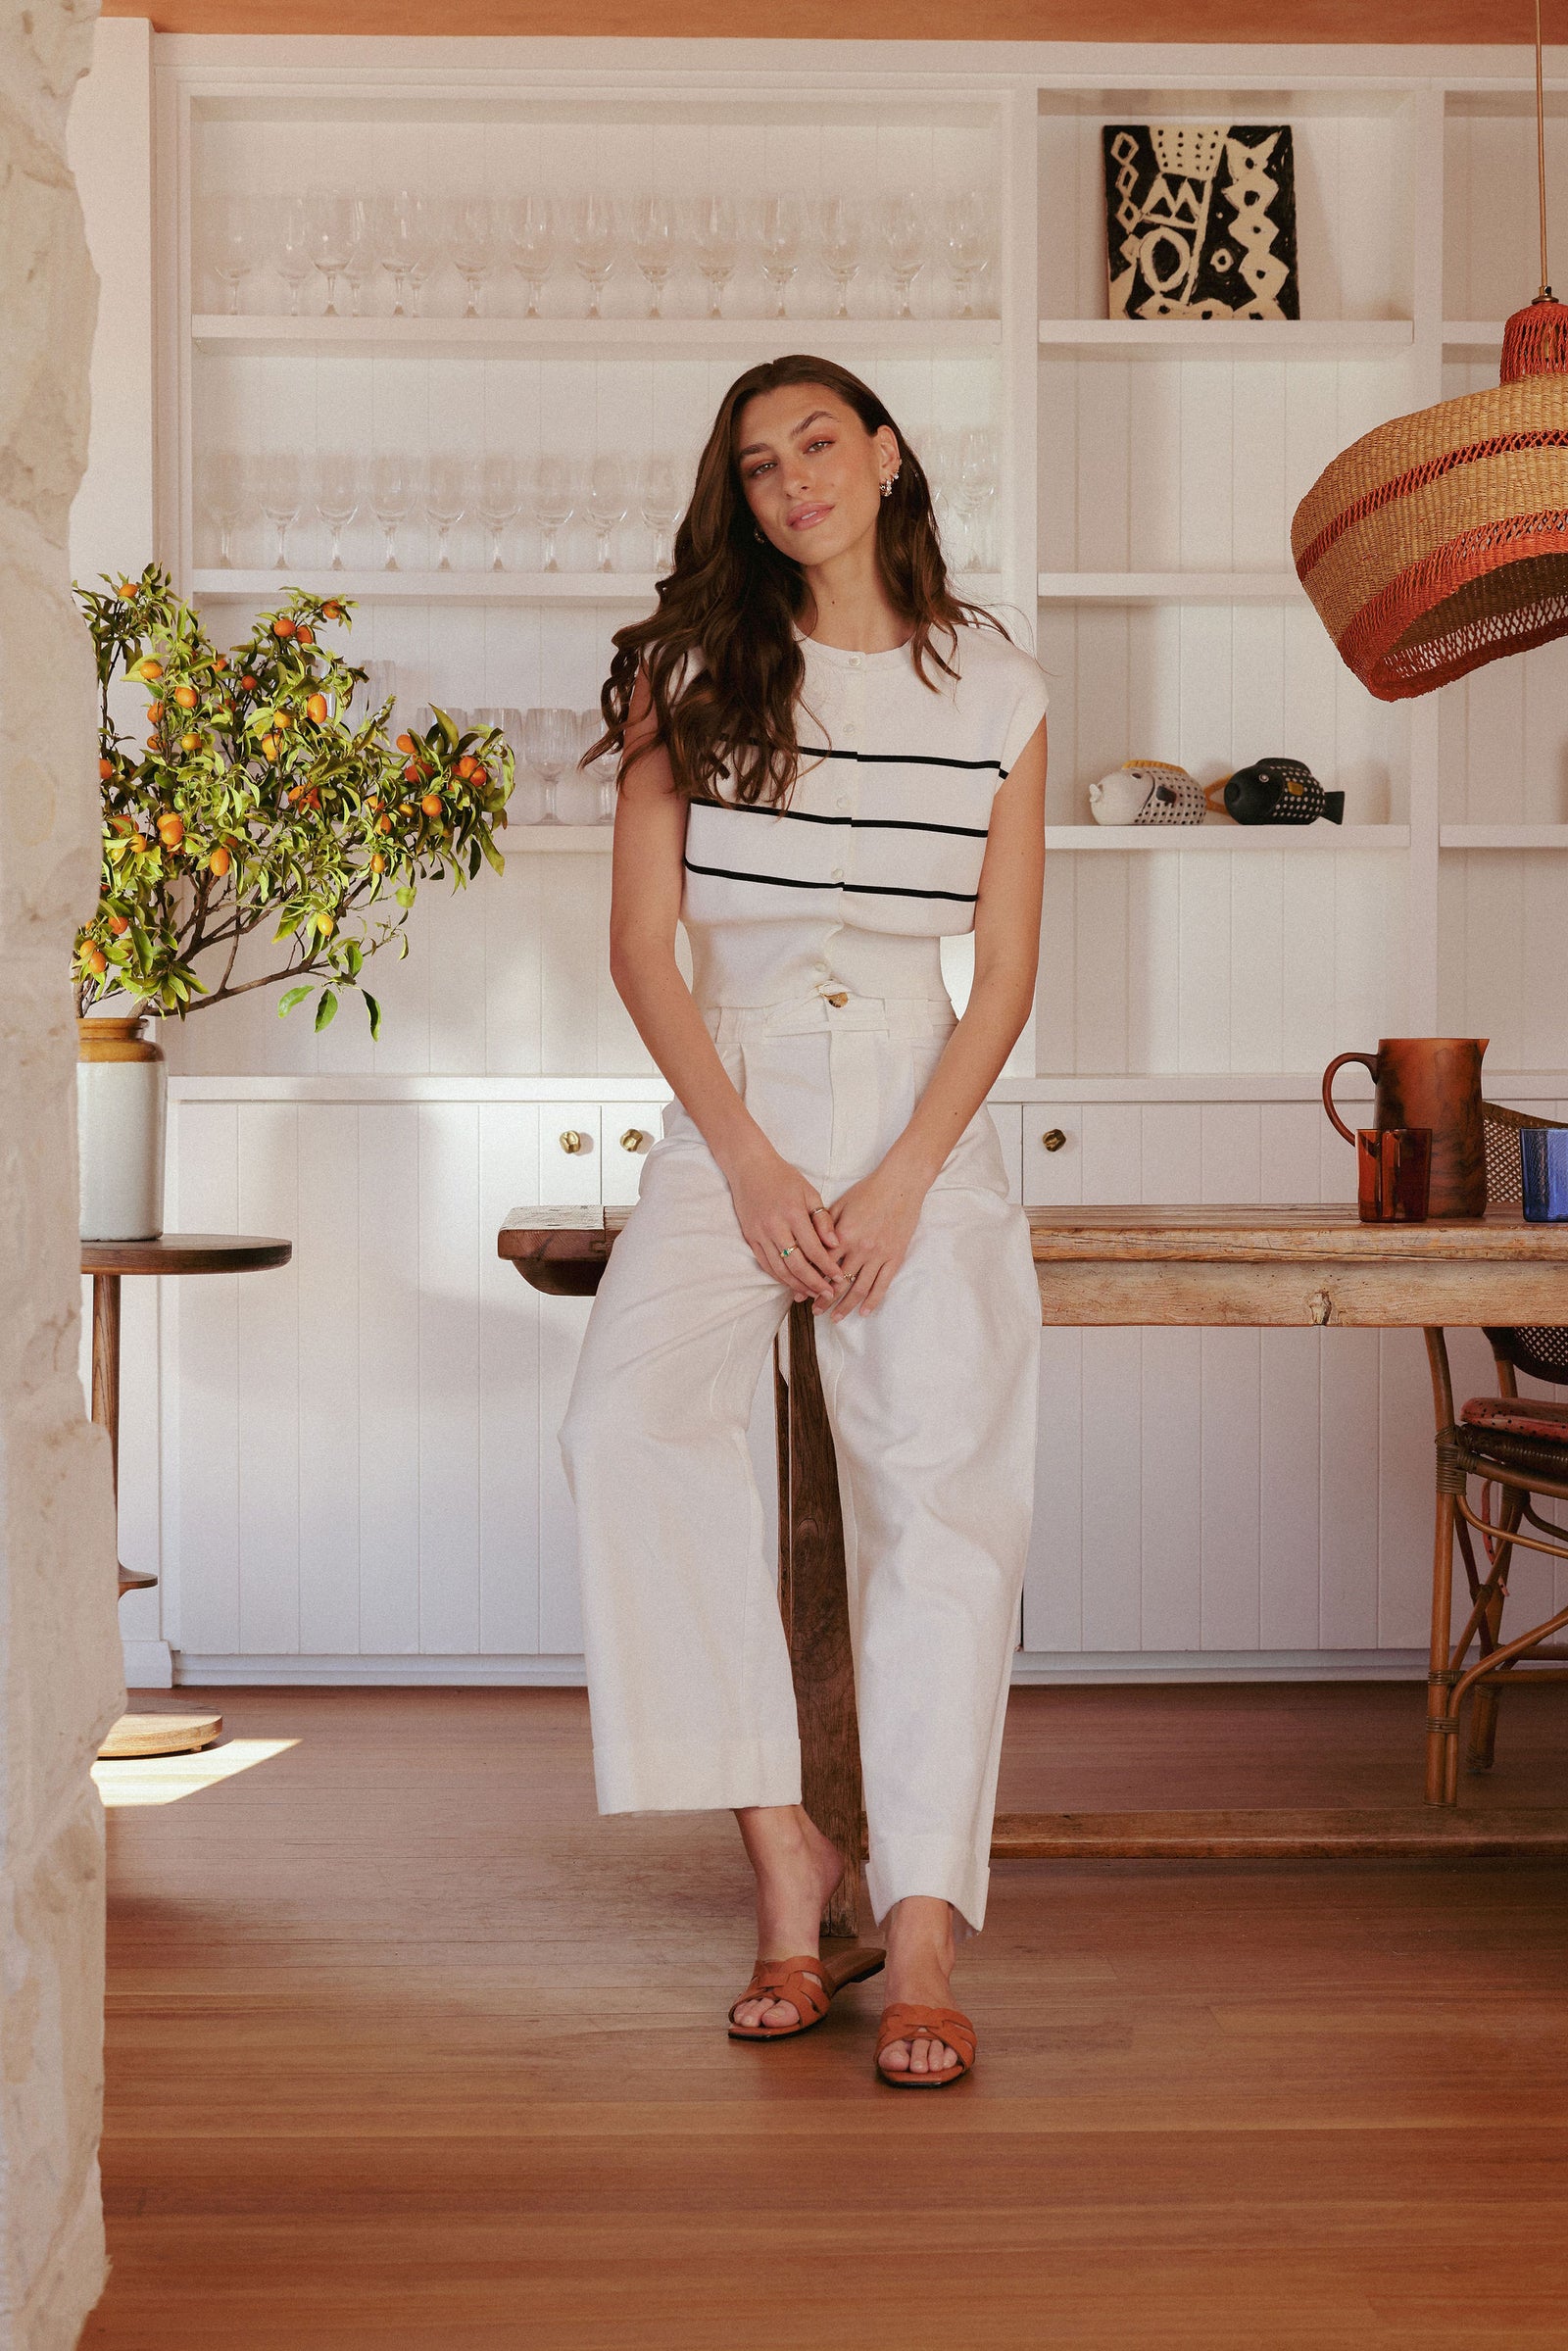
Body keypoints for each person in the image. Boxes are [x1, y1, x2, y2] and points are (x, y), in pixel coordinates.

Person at [560, 354, 1048, 2086]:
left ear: (888, 455)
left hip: (924, 1109)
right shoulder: (687, 674)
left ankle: (918, 1936)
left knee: (942, 1509)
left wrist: (906, 1174)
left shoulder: (998, 686)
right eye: (760, 465)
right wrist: (753, 1163)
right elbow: (643, 951)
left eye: (819, 444)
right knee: (625, 1426)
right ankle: (790, 1859)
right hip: (736, 1107)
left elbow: (1005, 973)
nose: (793, 483)